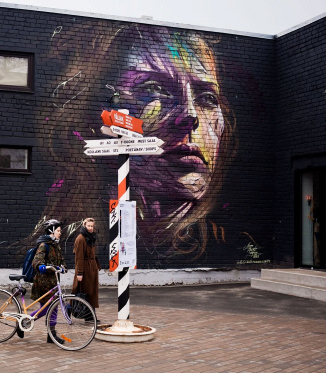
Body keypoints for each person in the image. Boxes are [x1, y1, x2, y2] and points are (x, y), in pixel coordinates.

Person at [37, 24, 235, 260]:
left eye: (207, 97)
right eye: (153, 89)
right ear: (94, 109)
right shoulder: (72, 236)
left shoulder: (229, 241)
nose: (190, 116)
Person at [24, 219, 67, 344]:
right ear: (51, 231)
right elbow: (36, 261)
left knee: (53, 309)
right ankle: (24, 322)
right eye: (58, 231)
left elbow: (61, 261)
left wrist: (63, 267)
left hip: (53, 282)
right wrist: (41, 266)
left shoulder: (56, 245)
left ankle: (51, 335)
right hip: (43, 283)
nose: (60, 233)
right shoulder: (44, 245)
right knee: (44, 310)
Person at [72, 218, 101, 319]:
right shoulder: (81, 238)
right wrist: (80, 273)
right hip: (85, 269)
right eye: (88, 226)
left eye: (92, 226)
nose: (90, 228)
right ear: (85, 225)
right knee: (85, 292)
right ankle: (70, 308)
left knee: (92, 292)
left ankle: (89, 316)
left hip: (92, 268)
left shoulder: (91, 237)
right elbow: (79, 257)